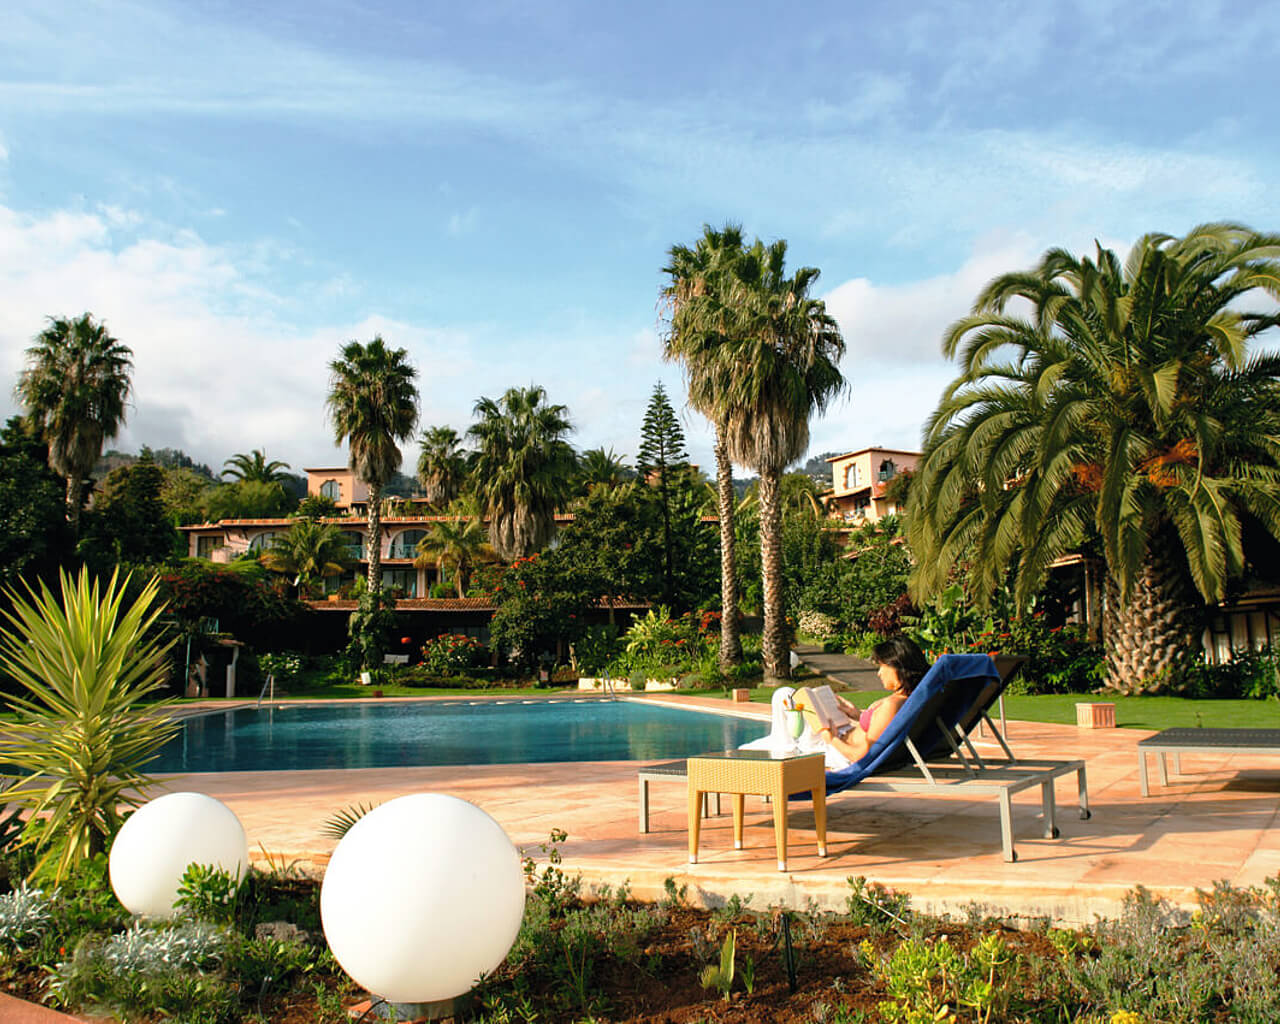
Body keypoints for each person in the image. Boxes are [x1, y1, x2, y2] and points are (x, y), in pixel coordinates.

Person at [813, 635, 929, 766]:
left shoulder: (893, 705)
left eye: (882, 666)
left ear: (898, 666)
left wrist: (832, 739)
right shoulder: (910, 699)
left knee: (786, 695)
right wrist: (858, 715)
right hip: (841, 736)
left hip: (838, 752)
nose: (879, 673)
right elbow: (882, 725)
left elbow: (862, 755)